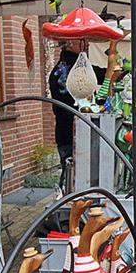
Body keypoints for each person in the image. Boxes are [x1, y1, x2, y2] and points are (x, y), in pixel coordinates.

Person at [48, 39, 105, 194]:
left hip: (74, 134)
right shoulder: (65, 72)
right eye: (82, 40)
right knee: (72, 177)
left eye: (87, 40)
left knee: (76, 176)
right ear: (69, 43)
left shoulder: (77, 68)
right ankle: (69, 211)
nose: (87, 44)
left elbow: (100, 75)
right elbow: (75, 105)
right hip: (71, 135)